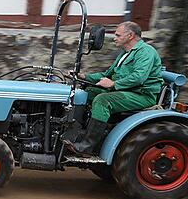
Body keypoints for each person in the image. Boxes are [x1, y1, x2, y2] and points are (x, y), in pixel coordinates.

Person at [66, 21, 163, 155]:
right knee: (87, 92)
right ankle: (76, 133)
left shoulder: (146, 51)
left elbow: (139, 77)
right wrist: (84, 76)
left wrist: (114, 84)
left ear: (130, 35)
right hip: (125, 91)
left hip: (141, 95)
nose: (114, 38)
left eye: (118, 35)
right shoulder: (125, 53)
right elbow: (107, 75)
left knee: (102, 100)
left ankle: (87, 146)